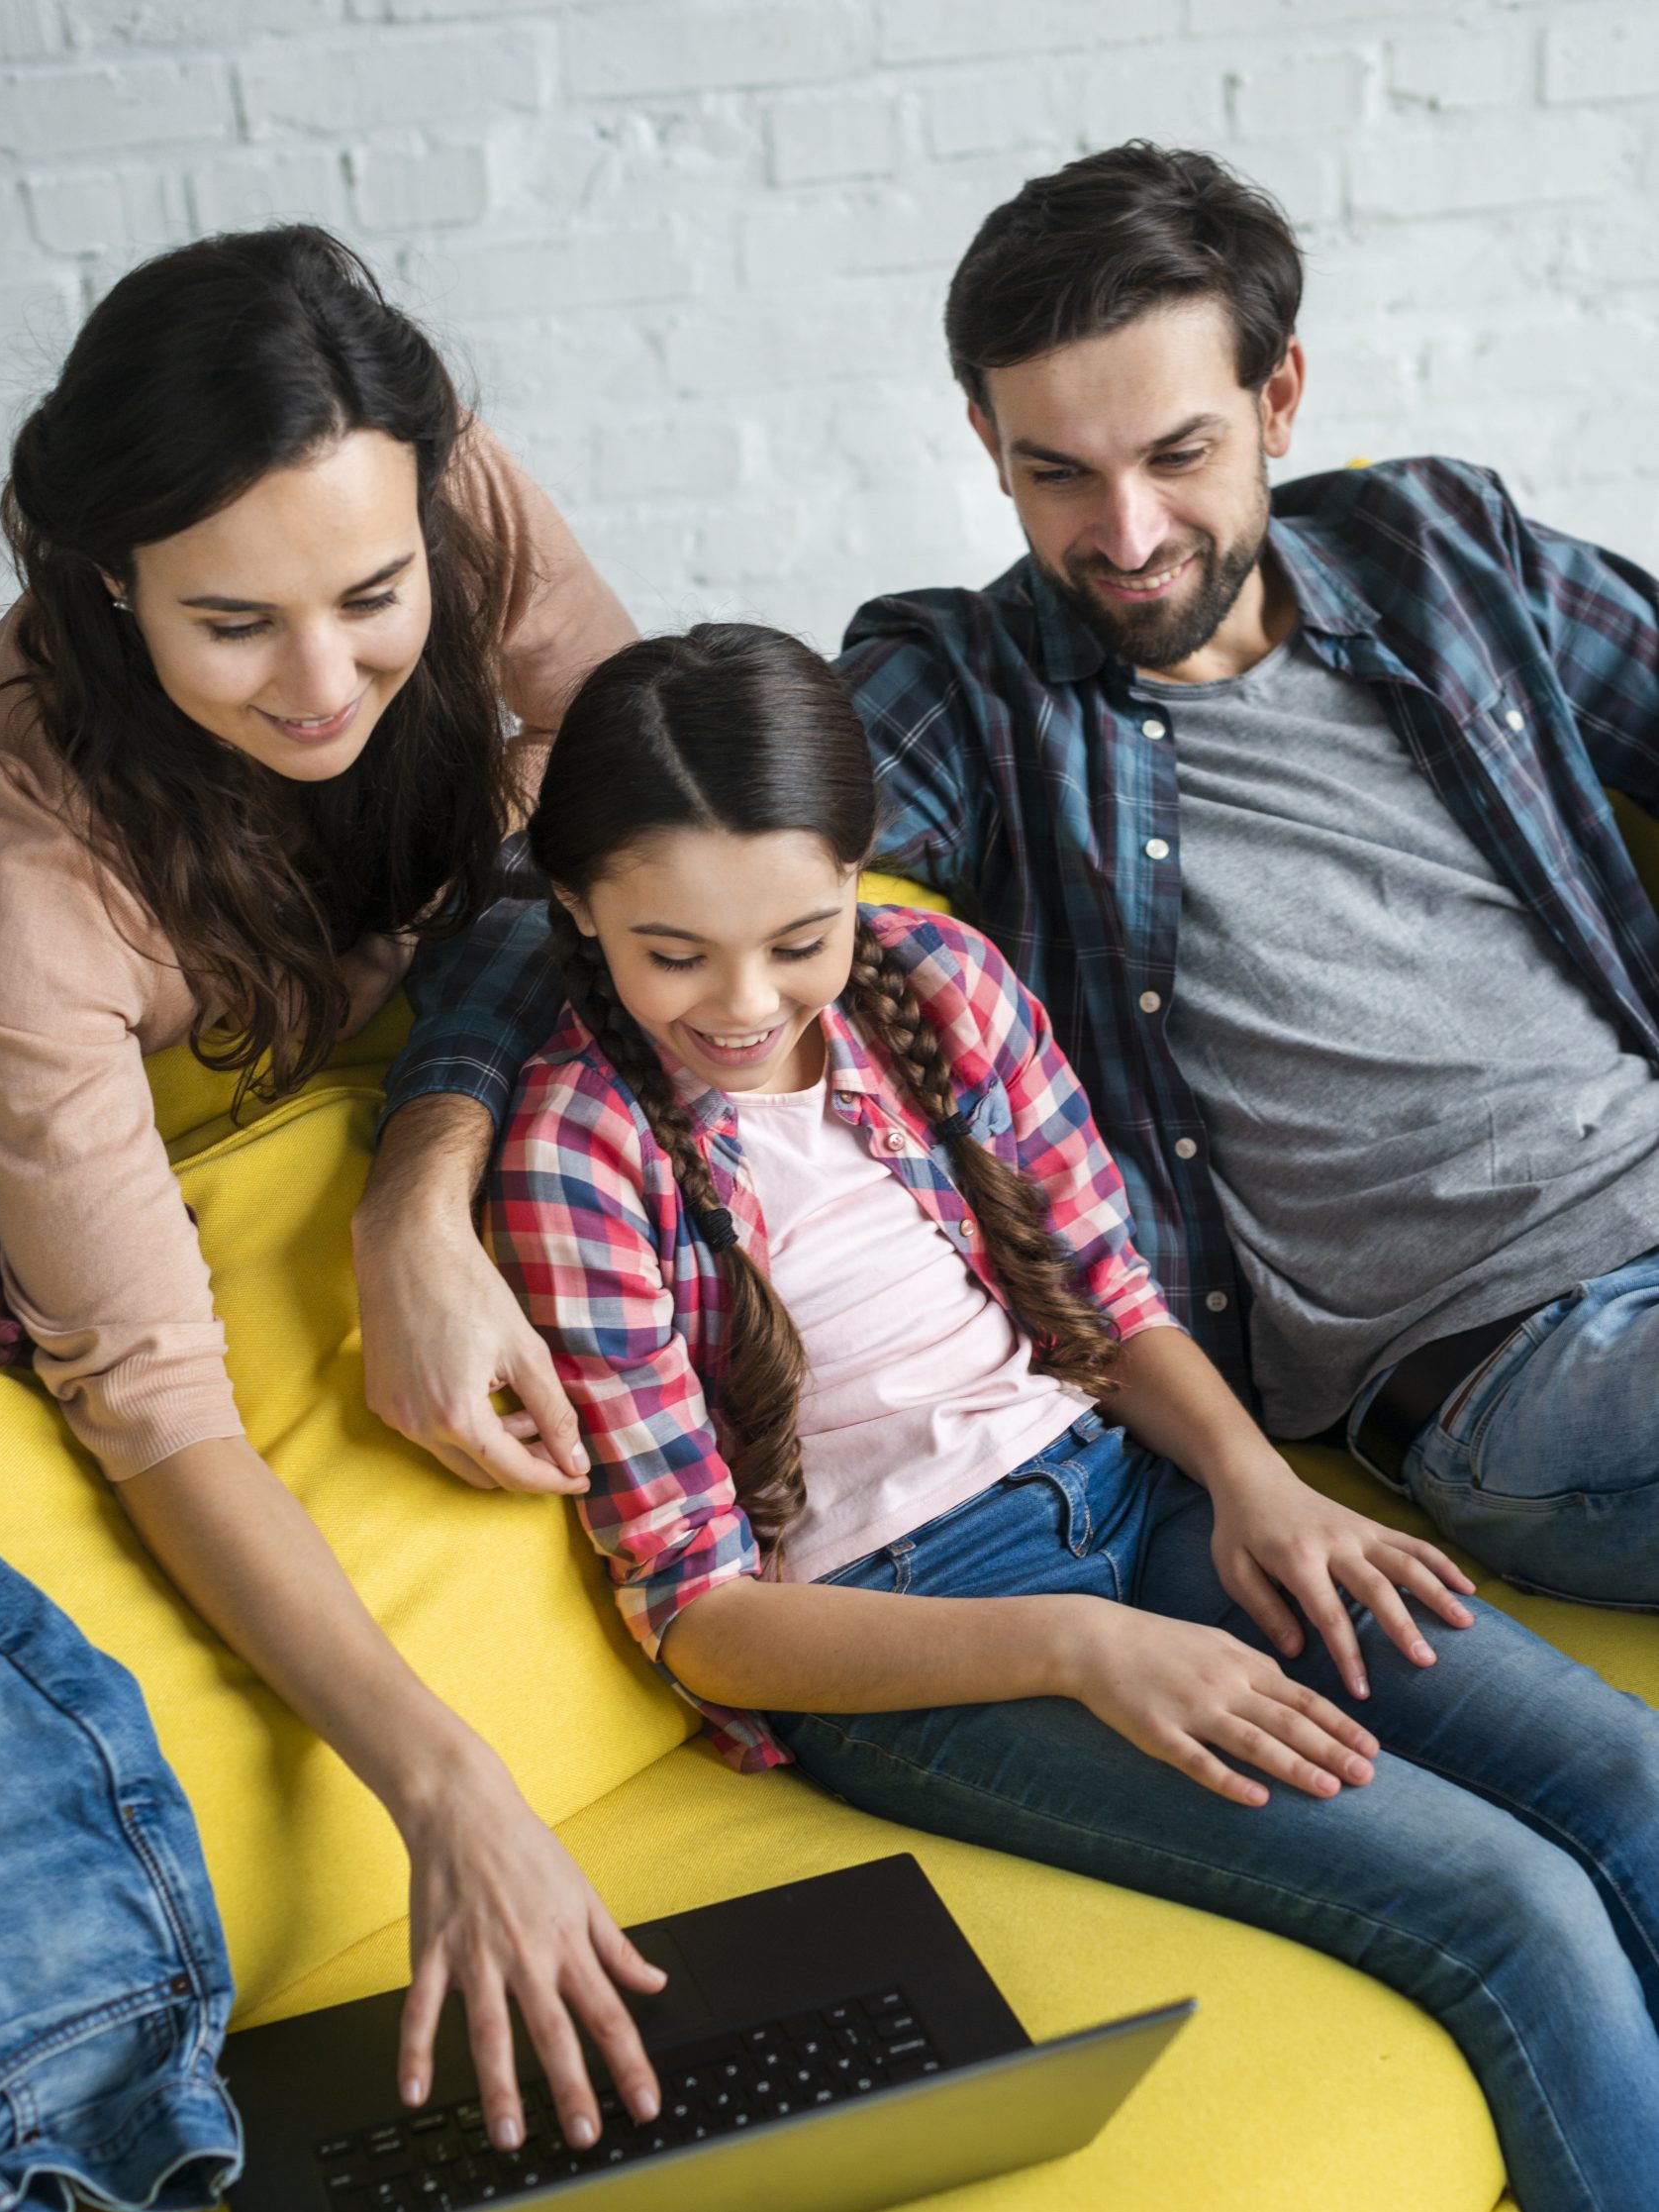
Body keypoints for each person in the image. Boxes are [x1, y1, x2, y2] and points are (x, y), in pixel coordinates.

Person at [485, 618, 1659, 2212]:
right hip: (917, 1637)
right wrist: (1086, 1644)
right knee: (1511, 1904)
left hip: (1128, 1495)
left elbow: (1107, 1304)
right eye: (670, 953)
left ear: (855, 879)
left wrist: (1256, 1488)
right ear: (574, 909)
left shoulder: (929, 986)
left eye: (795, 940)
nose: (741, 1004)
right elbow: (703, 1614)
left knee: (1623, 1783)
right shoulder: (578, 1151)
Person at [373, 145, 1659, 1611]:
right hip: (1519, 1358)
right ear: (986, 443)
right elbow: (569, 890)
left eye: (1177, 456)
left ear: (1277, 398)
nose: (1123, 537)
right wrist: (413, 1212)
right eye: (1057, 473)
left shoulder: (1444, 552)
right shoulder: (967, 695)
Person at [0, 224, 670, 2156]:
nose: (324, 679)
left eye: (375, 597)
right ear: (113, 585)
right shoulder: (23, 875)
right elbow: (155, 1395)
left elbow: (631, 788)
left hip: (380, 1091)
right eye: (232, 625)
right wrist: (445, 1784)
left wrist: (413, 1185)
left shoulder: (451, 486)